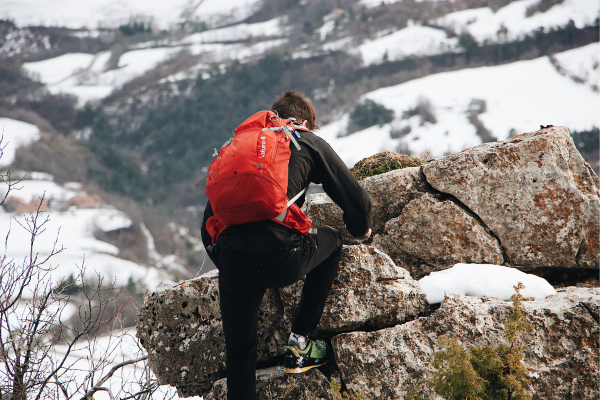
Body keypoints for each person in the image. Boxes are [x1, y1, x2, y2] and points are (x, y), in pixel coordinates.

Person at [201, 91, 372, 399]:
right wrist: (361, 229)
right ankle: (301, 343)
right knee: (332, 238)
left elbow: (207, 227)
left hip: (232, 261)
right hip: (282, 257)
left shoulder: (240, 149)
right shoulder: (306, 140)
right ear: (305, 122)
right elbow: (358, 202)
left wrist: (235, 267)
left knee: (240, 353)